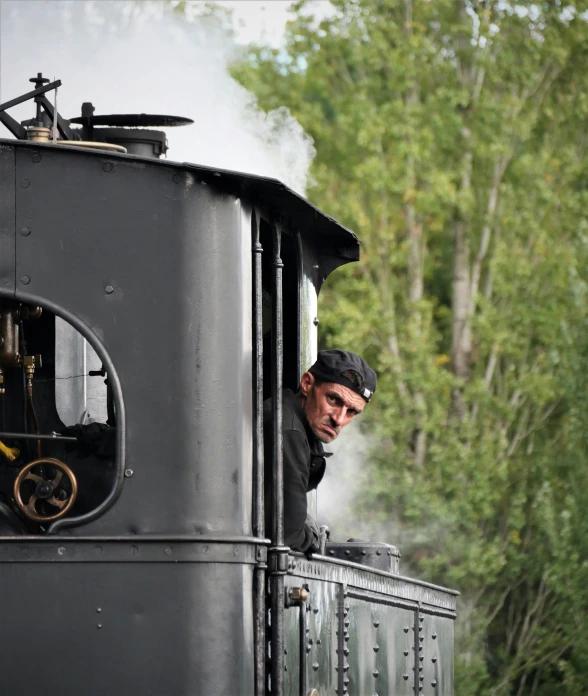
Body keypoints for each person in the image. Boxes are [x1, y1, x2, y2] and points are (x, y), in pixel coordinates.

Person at [264, 349, 376, 553]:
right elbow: (287, 537)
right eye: (333, 400)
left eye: (351, 412)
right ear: (307, 384)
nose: (339, 419)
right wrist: (316, 537)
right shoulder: (288, 431)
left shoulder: (290, 422)